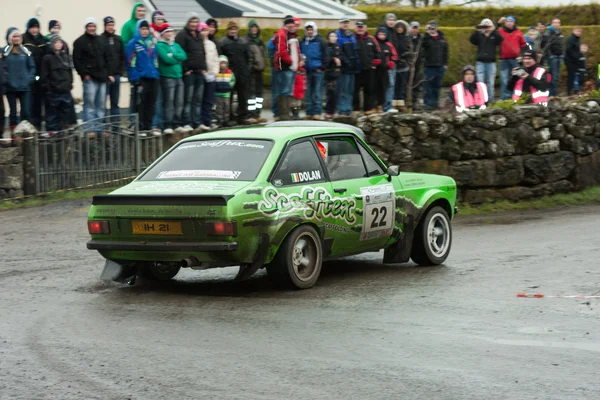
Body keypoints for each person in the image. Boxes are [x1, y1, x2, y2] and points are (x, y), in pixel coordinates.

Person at [73, 18, 110, 138]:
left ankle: (100, 129)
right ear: (86, 27)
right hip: (90, 78)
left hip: (102, 77)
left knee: (101, 105)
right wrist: (84, 74)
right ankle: (89, 130)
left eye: (93, 26)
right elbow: (76, 60)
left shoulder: (101, 40)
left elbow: (107, 57)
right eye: (89, 26)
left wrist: (107, 73)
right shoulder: (80, 41)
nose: (92, 28)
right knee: (90, 105)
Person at [126, 20, 160, 133]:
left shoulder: (152, 43)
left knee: (151, 104)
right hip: (141, 78)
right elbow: (130, 63)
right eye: (142, 29)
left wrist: (156, 73)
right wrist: (135, 78)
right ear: (138, 30)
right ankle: (139, 128)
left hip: (153, 78)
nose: (145, 31)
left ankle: (148, 127)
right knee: (141, 104)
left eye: (146, 29)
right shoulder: (133, 44)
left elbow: (155, 61)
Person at [219, 21, 254, 124]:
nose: (233, 31)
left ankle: (242, 116)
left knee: (243, 96)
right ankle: (229, 117)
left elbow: (249, 57)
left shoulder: (243, 42)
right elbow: (221, 58)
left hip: (242, 73)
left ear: (237, 30)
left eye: (234, 29)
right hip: (229, 74)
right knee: (228, 97)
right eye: (231, 29)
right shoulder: (223, 43)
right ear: (227, 30)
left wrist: (247, 70)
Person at [175, 13, 206, 132]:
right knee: (187, 99)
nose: (194, 24)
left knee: (198, 99)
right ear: (188, 22)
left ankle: (196, 122)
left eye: (196, 22)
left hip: (199, 72)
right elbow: (180, 53)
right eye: (192, 22)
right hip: (189, 72)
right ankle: (186, 121)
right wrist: (185, 69)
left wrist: (204, 68)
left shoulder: (198, 35)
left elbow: (202, 52)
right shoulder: (182, 35)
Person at [3, 27, 35, 135]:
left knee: (25, 111)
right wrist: (7, 80)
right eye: (14, 36)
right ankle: (14, 135)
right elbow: (3, 68)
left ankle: (26, 134)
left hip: (25, 87)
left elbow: (32, 66)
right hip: (10, 87)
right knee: (13, 112)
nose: (16, 39)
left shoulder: (26, 51)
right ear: (9, 38)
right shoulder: (5, 52)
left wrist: (29, 79)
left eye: (18, 36)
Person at [156, 23, 187, 134]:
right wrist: (176, 59)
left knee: (179, 101)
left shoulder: (176, 45)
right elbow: (166, 60)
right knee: (169, 101)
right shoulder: (160, 45)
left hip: (179, 76)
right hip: (167, 77)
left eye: (171, 31)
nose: (170, 33)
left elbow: (184, 56)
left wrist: (172, 55)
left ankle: (177, 123)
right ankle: (168, 124)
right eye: (168, 32)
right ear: (163, 33)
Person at [40, 35, 73, 134]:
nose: (58, 44)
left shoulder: (65, 57)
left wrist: (69, 84)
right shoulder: (47, 58)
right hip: (53, 91)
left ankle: (63, 134)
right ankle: (53, 135)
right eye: (56, 42)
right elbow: (44, 75)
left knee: (65, 115)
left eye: (60, 42)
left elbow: (69, 72)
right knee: (52, 116)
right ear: (52, 44)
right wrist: (49, 88)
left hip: (65, 90)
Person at [273, 16, 300, 121]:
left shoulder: (290, 35)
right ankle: (283, 114)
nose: (291, 25)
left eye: (292, 23)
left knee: (288, 91)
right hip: (284, 67)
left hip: (289, 67)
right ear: (285, 24)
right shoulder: (281, 34)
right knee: (284, 91)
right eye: (289, 23)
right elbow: (281, 51)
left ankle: (285, 113)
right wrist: (291, 61)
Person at [469, 18, 503, 101]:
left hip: (491, 63)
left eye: (488, 25)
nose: (486, 27)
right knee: (480, 82)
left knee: (490, 83)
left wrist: (493, 30)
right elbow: (472, 39)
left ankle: (490, 100)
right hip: (480, 62)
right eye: (484, 25)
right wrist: (477, 30)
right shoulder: (479, 35)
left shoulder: (494, 35)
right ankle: (481, 99)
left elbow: (500, 40)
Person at [300, 21, 328, 120]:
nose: (310, 31)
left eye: (311, 29)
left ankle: (317, 112)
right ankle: (308, 112)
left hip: (318, 70)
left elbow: (325, 55)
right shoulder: (303, 41)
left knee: (317, 93)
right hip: (307, 71)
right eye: (308, 30)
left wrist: (322, 67)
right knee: (308, 93)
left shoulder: (320, 40)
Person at [22, 18, 46, 130]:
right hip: (28, 76)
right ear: (28, 28)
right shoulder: (23, 39)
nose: (34, 30)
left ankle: (38, 127)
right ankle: (28, 127)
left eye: (36, 27)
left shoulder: (43, 40)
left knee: (38, 103)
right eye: (32, 27)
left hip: (40, 75)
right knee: (28, 104)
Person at [101, 17, 125, 125]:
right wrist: (107, 74)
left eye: (112, 25)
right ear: (105, 26)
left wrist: (120, 72)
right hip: (105, 77)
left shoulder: (118, 39)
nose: (110, 27)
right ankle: (105, 126)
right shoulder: (100, 39)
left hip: (116, 76)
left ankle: (116, 126)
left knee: (115, 102)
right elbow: (101, 59)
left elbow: (122, 57)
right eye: (108, 25)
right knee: (103, 103)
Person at [497, 16, 526, 100]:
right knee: (504, 79)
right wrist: (498, 23)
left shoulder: (518, 32)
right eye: (507, 21)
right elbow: (493, 32)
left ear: (514, 23)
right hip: (504, 60)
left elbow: (523, 45)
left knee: (515, 79)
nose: (509, 23)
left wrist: (523, 56)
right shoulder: (500, 31)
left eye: (511, 21)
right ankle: (505, 98)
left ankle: (514, 97)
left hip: (515, 60)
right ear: (505, 23)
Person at [422, 20, 448, 111]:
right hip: (429, 65)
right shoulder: (426, 38)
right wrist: (427, 33)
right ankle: (427, 104)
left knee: (437, 86)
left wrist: (445, 63)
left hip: (440, 66)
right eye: (430, 27)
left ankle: (435, 103)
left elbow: (445, 52)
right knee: (428, 86)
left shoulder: (442, 38)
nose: (432, 29)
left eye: (434, 27)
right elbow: (421, 45)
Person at [353, 21, 377, 115]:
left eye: (361, 27)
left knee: (369, 89)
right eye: (358, 27)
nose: (360, 29)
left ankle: (368, 108)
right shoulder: (352, 38)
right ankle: (356, 109)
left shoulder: (371, 39)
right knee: (355, 90)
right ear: (355, 28)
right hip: (356, 69)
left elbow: (377, 51)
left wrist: (375, 62)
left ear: (365, 28)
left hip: (369, 69)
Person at [336, 17, 358, 116]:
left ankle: (348, 108)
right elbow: (338, 51)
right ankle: (342, 108)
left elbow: (355, 50)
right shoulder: (338, 35)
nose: (345, 24)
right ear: (340, 24)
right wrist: (346, 61)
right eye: (343, 23)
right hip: (344, 67)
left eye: (347, 23)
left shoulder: (351, 35)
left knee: (350, 89)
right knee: (343, 89)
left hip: (352, 67)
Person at [199, 22, 219, 131]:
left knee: (209, 100)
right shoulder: (197, 43)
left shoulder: (211, 44)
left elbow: (216, 59)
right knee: (200, 99)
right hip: (202, 74)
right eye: (202, 30)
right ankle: (201, 120)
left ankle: (208, 120)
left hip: (212, 75)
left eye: (206, 30)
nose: (204, 33)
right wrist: (204, 73)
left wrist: (215, 72)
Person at [246, 19, 267, 122]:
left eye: (255, 27)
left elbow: (263, 55)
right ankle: (251, 114)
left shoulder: (260, 41)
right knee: (251, 95)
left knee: (259, 94)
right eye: (252, 27)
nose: (254, 29)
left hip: (260, 71)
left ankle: (258, 113)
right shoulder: (247, 41)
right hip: (252, 71)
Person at [373, 27, 398, 112]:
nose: (382, 36)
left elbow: (394, 56)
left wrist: (391, 63)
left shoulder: (388, 44)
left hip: (385, 70)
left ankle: (384, 106)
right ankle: (375, 106)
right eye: (380, 34)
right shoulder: (374, 43)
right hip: (375, 70)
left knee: (385, 88)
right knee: (374, 88)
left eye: (384, 34)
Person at [150, 10, 167, 134]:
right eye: (158, 19)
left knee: (165, 99)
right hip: (154, 70)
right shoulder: (151, 33)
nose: (160, 21)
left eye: (162, 19)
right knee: (157, 99)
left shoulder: (166, 33)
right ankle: (155, 124)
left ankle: (162, 123)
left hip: (165, 70)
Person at [324, 30, 344, 119]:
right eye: (332, 36)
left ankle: (334, 111)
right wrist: (333, 59)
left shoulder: (337, 47)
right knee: (329, 94)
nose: (333, 38)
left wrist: (340, 60)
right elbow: (326, 60)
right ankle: (328, 112)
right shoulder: (326, 47)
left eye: (335, 36)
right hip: (328, 73)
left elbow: (342, 57)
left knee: (336, 93)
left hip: (337, 73)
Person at [541, 18, 564, 96]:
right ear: (552, 23)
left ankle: (554, 94)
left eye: (558, 22)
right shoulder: (548, 33)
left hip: (559, 57)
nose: (556, 24)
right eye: (555, 22)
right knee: (552, 77)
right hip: (552, 57)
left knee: (557, 77)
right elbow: (545, 46)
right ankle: (551, 94)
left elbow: (561, 45)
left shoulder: (560, 32)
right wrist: (550, 56)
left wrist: (562, 54)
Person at [382, 13, 397, 112]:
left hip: (393, 62)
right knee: (388, 85)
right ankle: (386, 106)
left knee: (392, 85)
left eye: (393, 20)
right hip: (386, 64)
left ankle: (389, 104)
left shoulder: (395, 32)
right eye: (389, 19)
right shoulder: (383, 31)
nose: (391, 22)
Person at [393, 20, 410, 111]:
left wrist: (407, 55)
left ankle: (400, 103)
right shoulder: (393, 38)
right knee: (394, 85)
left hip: (404, 64)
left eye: (401, 28)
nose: (399, 29)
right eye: (398, 28)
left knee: (402, 85)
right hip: (394, 63)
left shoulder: (407, 38)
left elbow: (410, 49)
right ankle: (394, 103)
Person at [215, 55, 235, 127]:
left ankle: (226, 120)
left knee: (227, 106)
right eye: (221, 63)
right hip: (218, 93)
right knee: (219, 107)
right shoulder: (216, 72)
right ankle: (220, 120)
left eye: (224, 63)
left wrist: (230, 85)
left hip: (227, 93)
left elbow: (233, 80)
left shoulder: (229, 72)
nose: (223, 65)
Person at [409, 21, 424, 110]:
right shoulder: (407, 38)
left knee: (416, 84)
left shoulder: (421, 39)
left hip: (418, 64)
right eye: (413, 28)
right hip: (408, 64)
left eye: (416, 28)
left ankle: (414, 102)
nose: (414, 30)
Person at [564, 26, 583, 95]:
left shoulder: (576, 39)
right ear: (573, 31)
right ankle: (569, 91)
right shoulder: (571, 38)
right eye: (577, 31)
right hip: (570, 60)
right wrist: (576, 56)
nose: (578, 33)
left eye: (580, 32)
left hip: (574, 60)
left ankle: (572, 90)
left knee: (573, 76)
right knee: (571, 76)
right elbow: (568, 49)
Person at [267, 33, 279, 120]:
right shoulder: (275, 37)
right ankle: (276, 113)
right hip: (276, 68)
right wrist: (274, 62)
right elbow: (270, 48)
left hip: (287, 68)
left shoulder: (292, 37)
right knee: (276, 91)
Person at [292, 55, 307, 119]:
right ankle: (294, 114)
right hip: (295, 90)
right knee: (294, 103)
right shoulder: (295, 71)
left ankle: (297, 114)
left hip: (301, 90)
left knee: (299, 103)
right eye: (301, 61)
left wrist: (305, 87)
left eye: (304, 61)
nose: (303, 63)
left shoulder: (303, 70)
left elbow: (304, 79)